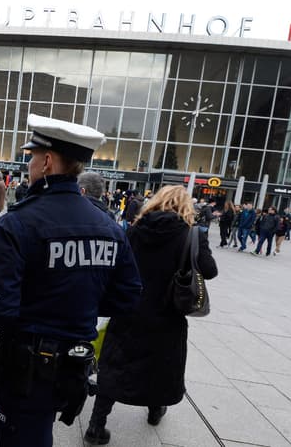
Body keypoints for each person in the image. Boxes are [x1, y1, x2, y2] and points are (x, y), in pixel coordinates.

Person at [0, 114, 142, 447]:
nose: (29, 164)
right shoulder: (107, 226)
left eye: (32, 157)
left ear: (47, 161)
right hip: (74, 367)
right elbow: (128, 296)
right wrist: (79, 300)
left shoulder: (20, 222)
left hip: (25, 369)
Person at [84, 186, 218, 445]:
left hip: (129, 309)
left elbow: (118, 266)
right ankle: (155, 410)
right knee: (162, 365)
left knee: (114, 366)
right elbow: (209, 270)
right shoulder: (191, 234)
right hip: (167, 314)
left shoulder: (135, 229)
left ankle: (95, 425)